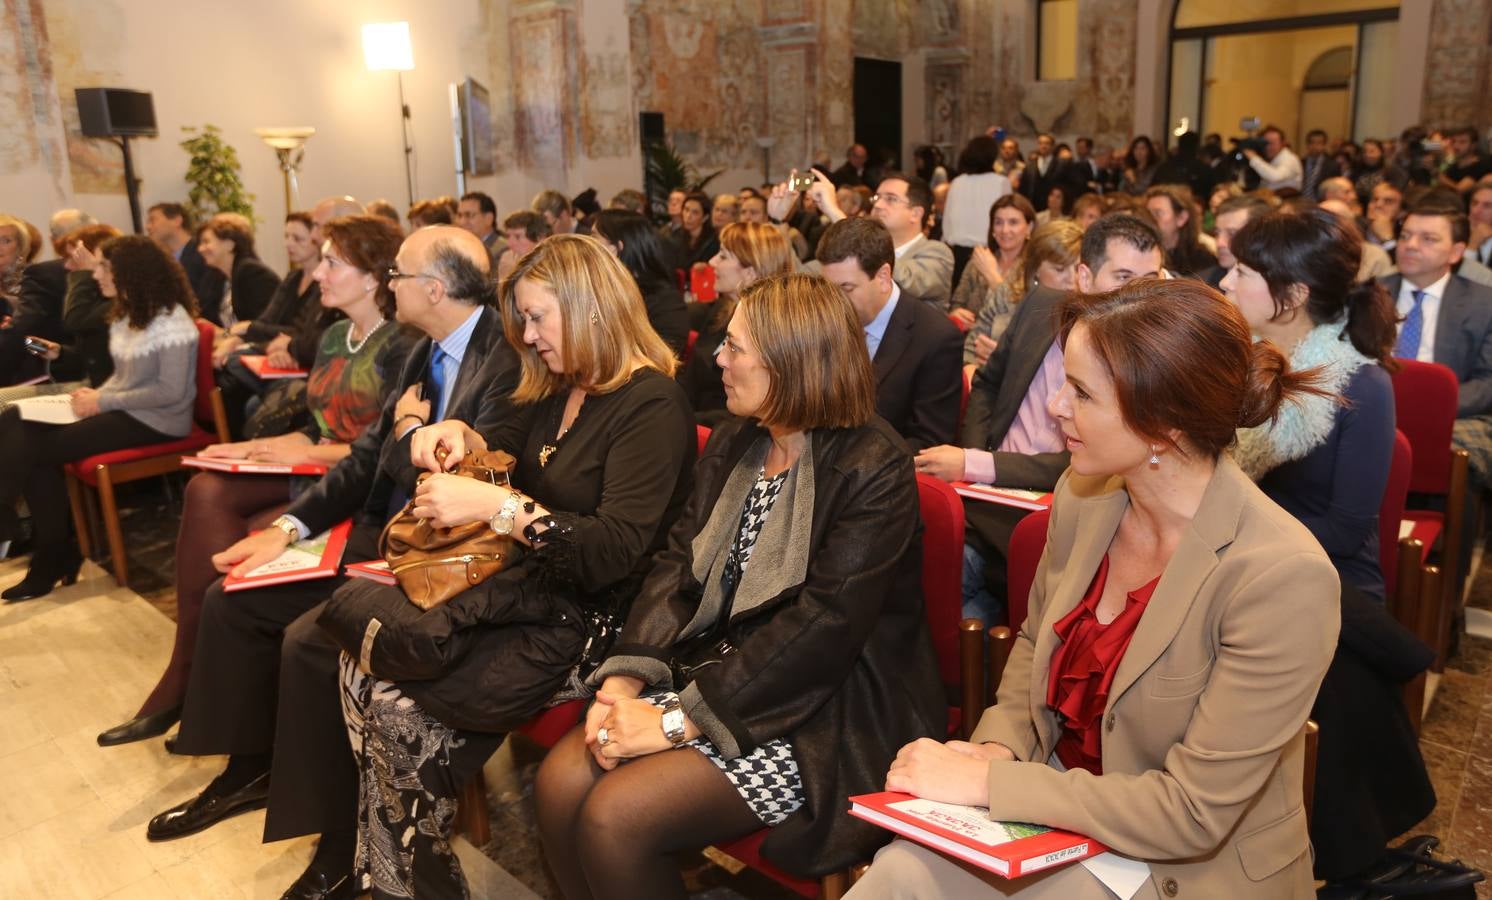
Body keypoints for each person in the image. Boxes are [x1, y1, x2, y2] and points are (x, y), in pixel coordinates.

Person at [849, 278, 1340, 900]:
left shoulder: (1281, 575)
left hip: (1186, 866)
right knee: (898, 873)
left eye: (1080, 392)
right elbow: (1033, 647)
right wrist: (996, 750)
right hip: (1063, 813)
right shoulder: (1084, 499)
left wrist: (992, 787)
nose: (1055, 406)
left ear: (1163, 423)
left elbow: (1191, 814)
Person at [534, 272, 944, 899]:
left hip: (826, 708)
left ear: (792, 361)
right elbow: (677, 566)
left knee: (615, 815)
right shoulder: (738, 442)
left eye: (735, 347)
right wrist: (623, 682)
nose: (717, 360)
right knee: (560, 783)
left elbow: (822, 628)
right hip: (723, 671)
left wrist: (674, 725)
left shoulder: (872, 466)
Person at [145, 226, 523, 900]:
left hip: (447, 554)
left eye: (398, 275)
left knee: (310, 642)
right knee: (238, 600)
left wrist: (410, 436)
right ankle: (247, 768)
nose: (389, 284)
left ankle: (343, 846)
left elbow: (472, 477)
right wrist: (288, 528)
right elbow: (362, 462)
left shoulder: (507, 356)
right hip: (388, 535)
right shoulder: (417, 351)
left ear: (434, 288)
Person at [329, 234, 695, 898]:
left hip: (594, 624)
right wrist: (464, 440)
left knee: (391, 701)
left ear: (586, 307)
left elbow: (612, 553)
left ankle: (400, 881)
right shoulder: (559, 387)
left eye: (536, 316)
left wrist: (500, 508)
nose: (526, 335)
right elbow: (506, 451)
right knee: (359, 667)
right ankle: (396, 878)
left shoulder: (651, 404)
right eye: (521, 319)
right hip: (528, 598)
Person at [95, 214, 414, 748]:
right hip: (316, 457)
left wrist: (304, 449)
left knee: (232, 520)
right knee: (205, 485)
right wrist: (251, 447)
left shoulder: (402, 343)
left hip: (351, 475)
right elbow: (317, 421)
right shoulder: (336, 335)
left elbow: (379, 448)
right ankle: (192, 667)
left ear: (373, 277)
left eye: (332, 262)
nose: (317, 275)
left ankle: (194, 677)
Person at [917, 214, 1164, 623]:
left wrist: (979, 465)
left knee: (968, 608)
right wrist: (976, 458)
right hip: (982, 496)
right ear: (1084, 277)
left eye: (1150, 279)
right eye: (1122, 277)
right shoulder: (1040, 307)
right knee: (917, 573)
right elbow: (989, 383)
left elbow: (1096, 463)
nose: (1139, 294)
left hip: (1058, 514)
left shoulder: (1150, 362)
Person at [0, 235, 199, 600]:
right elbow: (126, 377)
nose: (97, 275)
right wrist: (95, 396)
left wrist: (102, 400)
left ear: (130, 272)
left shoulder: (172, 319)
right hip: (126, 408)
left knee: (35, 450)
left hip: (158, 420)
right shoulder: (127, 313)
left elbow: (171, 393)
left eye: (105, 267)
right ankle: (49, 550)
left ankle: (48, 553)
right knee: (14, 419)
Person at [817, 217, 962, 452]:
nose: (835, 302)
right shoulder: (824, 321)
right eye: (829, 289)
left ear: (883, 277)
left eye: (846, 288)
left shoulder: (936, 338)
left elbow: (927, 442)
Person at [212, 212, 327, 437]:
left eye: (298, 238)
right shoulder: (293, 278)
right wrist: (258, 337)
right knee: (231, 369)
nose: (288, 244)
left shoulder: (323, 283)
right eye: (286, 236)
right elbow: (266, 321)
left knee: (237, 381)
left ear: (316, 242)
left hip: (302, 363)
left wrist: (249, 330)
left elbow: (301, 334)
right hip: (278, 354)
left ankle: (242, 442)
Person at [678, 222, 795, 425]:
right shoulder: (722, 310)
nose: (712, 262)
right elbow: (691, 379)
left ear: (750, 272)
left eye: (723, 256)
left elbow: (751, 411)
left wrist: (681, 420)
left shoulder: (769, 330)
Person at [1383, 200, 1492, 417]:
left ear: (1456, 252)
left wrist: (1429, 405)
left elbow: (1487, 381)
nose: (1410, 245)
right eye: (1404, 236)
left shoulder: (1484, 304)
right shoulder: (1369, 294)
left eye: (1428, 239)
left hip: (1449, 416)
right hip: (1375, 411)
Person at [0, 224, 123, 408]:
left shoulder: (116, 303)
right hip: (87, 383)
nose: (65, 265)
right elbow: (88, 354)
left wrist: (84, 275)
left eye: (73, 258)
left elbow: (76, 321)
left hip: (104, 390)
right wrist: (57, 351)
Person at [961, 220, 1082, 368]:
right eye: (1060, 269)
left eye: (1077, 269)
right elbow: (970, 348)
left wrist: (1005, 363)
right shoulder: (1007, 293)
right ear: (1036, 269)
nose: (1072, 280)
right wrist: (969, 370)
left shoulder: (1086, 313)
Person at [590, 208, 691, 357]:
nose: (588, 245)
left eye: (594, 238)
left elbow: (662, 360)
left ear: (615, 249)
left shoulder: (665, 303)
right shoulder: (598, 290)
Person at [949, 194, 1036, 327]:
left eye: (1013, 222)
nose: (1005, 230)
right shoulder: (979, 260)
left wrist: (993, 276)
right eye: (998, 222)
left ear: (1029, 227)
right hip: (970, 340)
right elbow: (956, 303)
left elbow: (1025, 319)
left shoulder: (1035, 268)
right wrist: (956, 313)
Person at [942, 136, 1015, 289]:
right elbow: (1008, 217)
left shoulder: (957, 182)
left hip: (959, 254)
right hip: (989, 252)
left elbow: (947, 224)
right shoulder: (1001, 182)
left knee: (959, 306)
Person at [197, 212, 280, 331]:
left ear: (229, 244)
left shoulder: (252, 273)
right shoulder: (215, 277)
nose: (200, 249)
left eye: (206, 242)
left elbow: (263, 324)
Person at [145, 202, 214, 305]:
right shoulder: (160, 260)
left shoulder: (202, 253)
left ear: (177, 221)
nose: (148, 227)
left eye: (153, 220)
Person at [1143, 184, 1218, 280]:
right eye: (1148, 213)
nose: (1150, 219)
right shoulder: (1144, 255)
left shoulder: (1203, 262)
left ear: (1181, 218)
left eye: (1158, 213)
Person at [1202, 193, 1271, 287]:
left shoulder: (1280, 289)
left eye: (1232, 234)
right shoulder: (1202, 285)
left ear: (1259, 236)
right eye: (1217, 233)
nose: (1219, 243)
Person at [496, 209, 553, 282]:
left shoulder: (553, 271)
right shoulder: (502, 256)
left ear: (541, 239)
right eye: (508, 236)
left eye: (518, 237)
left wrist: (508, 277)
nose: (509, 244)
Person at [1245, 125, 1304, 192]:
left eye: (1272, 143)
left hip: (1288, 199)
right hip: (1269, 197)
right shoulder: (1269, 157)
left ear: (1282, 143)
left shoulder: (1289, 159)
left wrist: (1252, 157)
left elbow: (1275, 177)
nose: (1268, 147)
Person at [673, 192, 720, 269]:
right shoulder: (676, 235)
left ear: (705, 217)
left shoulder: (714, 242)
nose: (688, 216)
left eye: (695, 212)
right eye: (686, 210)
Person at [457, 191, 504, 263]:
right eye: (460, 216)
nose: (462, 222)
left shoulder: (502, 250)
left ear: (489, 218)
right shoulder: (459, 248)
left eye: (469, 215)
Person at [1300, 129, 1341, 199]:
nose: (1315, 146)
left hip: (1321, 203)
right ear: (1307, 145)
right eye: (1312, 143)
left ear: (1324, 145)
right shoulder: (1301, 162)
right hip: (1301, 201)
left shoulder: (1332, 165)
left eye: (1319, 143)